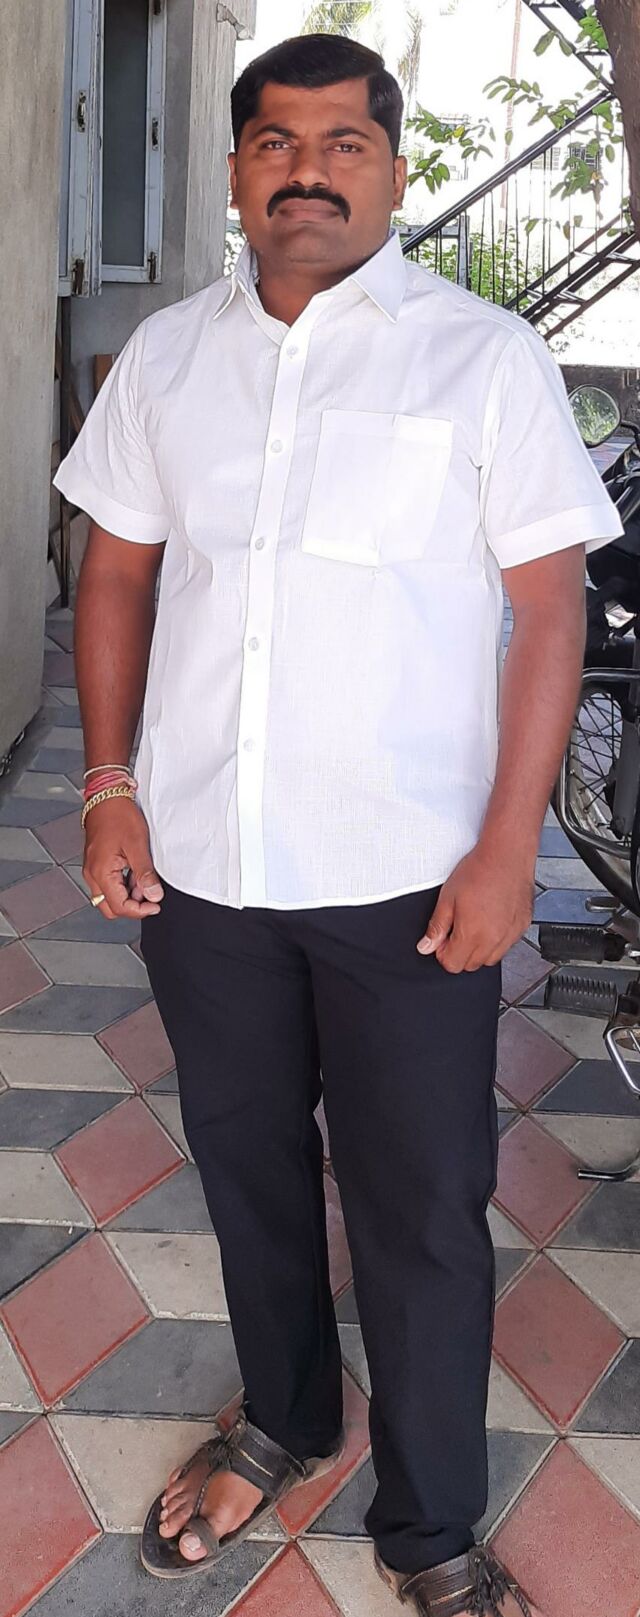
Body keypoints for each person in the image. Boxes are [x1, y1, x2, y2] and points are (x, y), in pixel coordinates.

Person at [53, 32, 623, 1617]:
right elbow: (117, 572)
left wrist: (508, 849)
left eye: (344, 142)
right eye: (275, 142)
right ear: (239, 169)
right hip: (205, 865)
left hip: (414, 878)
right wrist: (109, 782)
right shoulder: (168, 359)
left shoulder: (482, 358)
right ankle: (290, 1414)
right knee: (245, 1160)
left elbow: (549, 607)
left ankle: (428, 1519)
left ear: (393, 169)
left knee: (421, 1202)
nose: (307, 169)